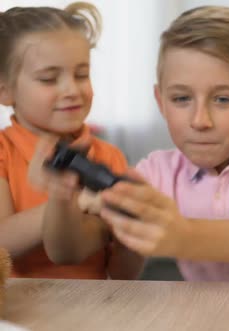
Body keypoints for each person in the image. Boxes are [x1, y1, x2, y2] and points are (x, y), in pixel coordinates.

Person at [50, 5, 229, 282]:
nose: (200, 120)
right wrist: (64, 199)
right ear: (161, 102)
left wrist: (183, 235)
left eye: (223, 99)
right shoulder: (156, 172)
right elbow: (88, 260)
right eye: (181, 99)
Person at [0, 2, 143, 279]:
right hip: (20, 314)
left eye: (81, 75)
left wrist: (132, 241)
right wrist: (72, 201)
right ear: (5, 91)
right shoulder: (4, 153)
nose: (72, 90)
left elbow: (121, 275)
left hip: (94, 310)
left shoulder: (108, 157)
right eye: (49, 78)